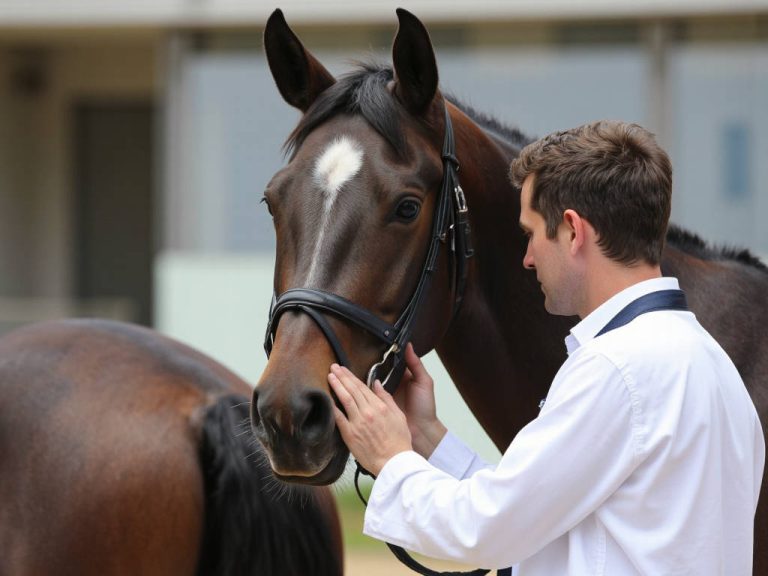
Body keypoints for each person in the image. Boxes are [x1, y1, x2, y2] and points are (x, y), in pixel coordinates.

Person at [327, 120, 765, 575]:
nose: (528, 257)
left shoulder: (615, 369)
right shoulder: (711, 365)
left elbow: (487, 531)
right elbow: (535, 519)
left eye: (532, 233)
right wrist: (426, 436)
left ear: (573, 231)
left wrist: (391, 457)